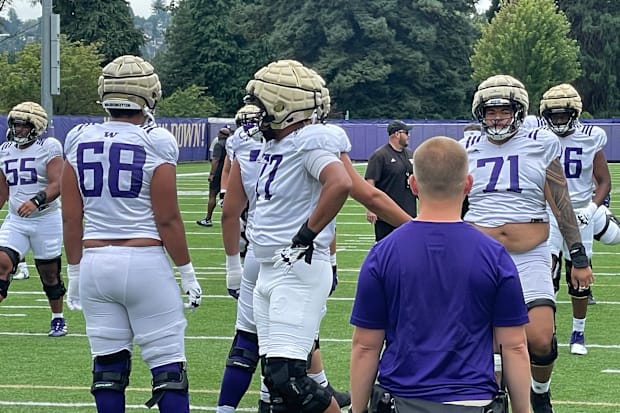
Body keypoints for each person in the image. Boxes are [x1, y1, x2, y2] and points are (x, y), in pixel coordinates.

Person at [61, 54, 202, 413]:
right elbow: (168, 217)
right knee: (169, 368)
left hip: (94, 263)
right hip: (143, 261)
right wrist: (186, 272)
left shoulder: (77, 138)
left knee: (107, 368)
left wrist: (74, 271)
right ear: (149, 93)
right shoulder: (157, 141)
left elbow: (70, 216)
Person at [350, 136, 532, 413]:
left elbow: (365, 346)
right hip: (473, 400)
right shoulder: (494, 255)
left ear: (412, 184)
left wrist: (357, 408)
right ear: (468, 185)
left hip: (400, 400)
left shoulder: (383, 253)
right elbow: (515, 346)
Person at [462, 74, 594, 413]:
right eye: (490, 112)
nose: (496, 118)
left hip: (529, 253)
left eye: (503, 110)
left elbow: (560, 200)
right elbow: (450, 203)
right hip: (478, 256)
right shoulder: (466, 147)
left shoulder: (541, 141)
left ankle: (540, 390)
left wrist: (578, 256)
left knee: (540, 336)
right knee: (485, 342)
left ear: (518, 111)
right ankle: (494, 401)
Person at [539, 83, 611, 355]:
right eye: (553, 115)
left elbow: (604, 181)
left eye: (562, 115)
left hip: (581, 211)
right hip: (548, 212)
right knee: (548, 273)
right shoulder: (539, 137)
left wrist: (592, 209)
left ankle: (578, 332)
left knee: (579, 278)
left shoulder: (591, 137)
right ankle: (549, 330)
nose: (558, 120)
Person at [0, 101, 67, 337]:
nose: (17, 130)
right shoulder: (5, 150)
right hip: (16, 220)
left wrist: (36, 200)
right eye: (15, 125)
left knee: (49, 273)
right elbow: (2, 190)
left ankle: (57, 318)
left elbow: (58, 183)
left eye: (22, 125)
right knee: (2, 262)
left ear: (35, 127)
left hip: (45, 218)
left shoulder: (48, 147)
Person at [365, 120, 417, 241]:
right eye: (406, 132)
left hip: (408, 212)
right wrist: (371, 208)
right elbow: (370, 181)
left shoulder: (410, 154)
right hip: (386, 213)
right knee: (386, 249)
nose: (408, 136)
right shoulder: (380, 155)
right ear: (396, 134)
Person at [197, 127, 231, 227]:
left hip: (218, 172)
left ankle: (208, 219)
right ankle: (230, 219)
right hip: (228, 173)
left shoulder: (219, 144)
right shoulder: (231, 145)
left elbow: (215, 160)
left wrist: (212, 174)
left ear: (221, 134)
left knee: (212, 196)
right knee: (226, 197)